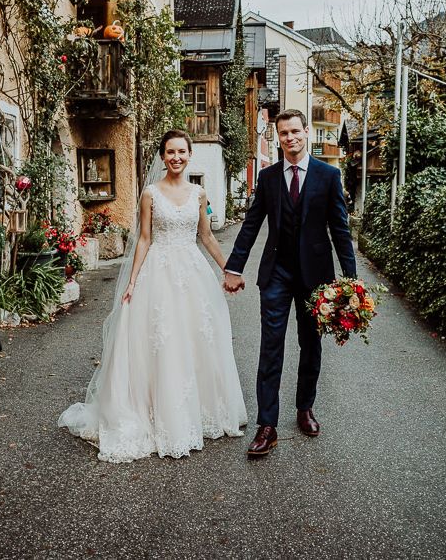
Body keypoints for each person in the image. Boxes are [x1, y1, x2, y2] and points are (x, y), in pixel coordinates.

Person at [59, 130, 247, 462]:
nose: (176, 157)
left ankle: (196, 412)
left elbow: (206, 236)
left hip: (192, 273)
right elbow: (144, 239)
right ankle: (157, 414)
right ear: (162, 156)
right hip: (157, 275)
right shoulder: (150, 194)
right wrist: (132, 281)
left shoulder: (199, 194)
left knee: (195, 339)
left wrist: (227, 269)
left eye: (182, 152)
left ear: (190, 155)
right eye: (170, 152)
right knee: (162, 342)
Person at [223, 109, 356, 458]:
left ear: (307, 133)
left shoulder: (328, 176)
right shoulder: (267, 178)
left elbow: (340, 230)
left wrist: (352, 280)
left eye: (295, 131)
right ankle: (267, 425)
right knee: (271, 347)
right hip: (277, 275)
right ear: (277, 136)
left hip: (316, 278)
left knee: (311, 344)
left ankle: (304, 408)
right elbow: (251, 225)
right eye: (283, 133)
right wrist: (234, 266)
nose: (290, 138)